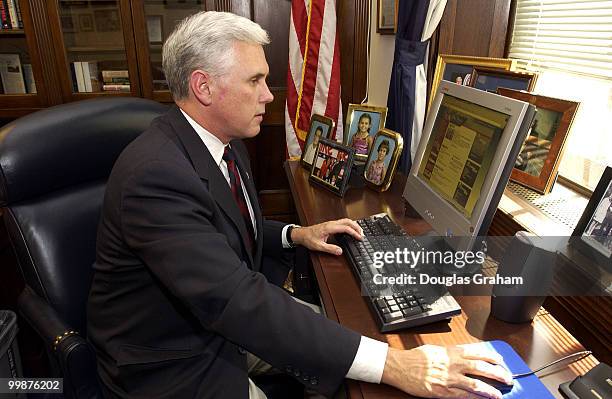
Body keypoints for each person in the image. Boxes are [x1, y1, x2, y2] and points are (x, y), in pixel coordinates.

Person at [88, 11, 512, 399]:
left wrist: (296, 234)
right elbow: (235, 301)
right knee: (365, 360)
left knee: (342, 336)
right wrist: (396, 364)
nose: (268, 96)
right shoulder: (156, 174)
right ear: (204, 87)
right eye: (254, 81)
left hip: (216, 324)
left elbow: (219, 227)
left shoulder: (222, 141)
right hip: (174, 359)